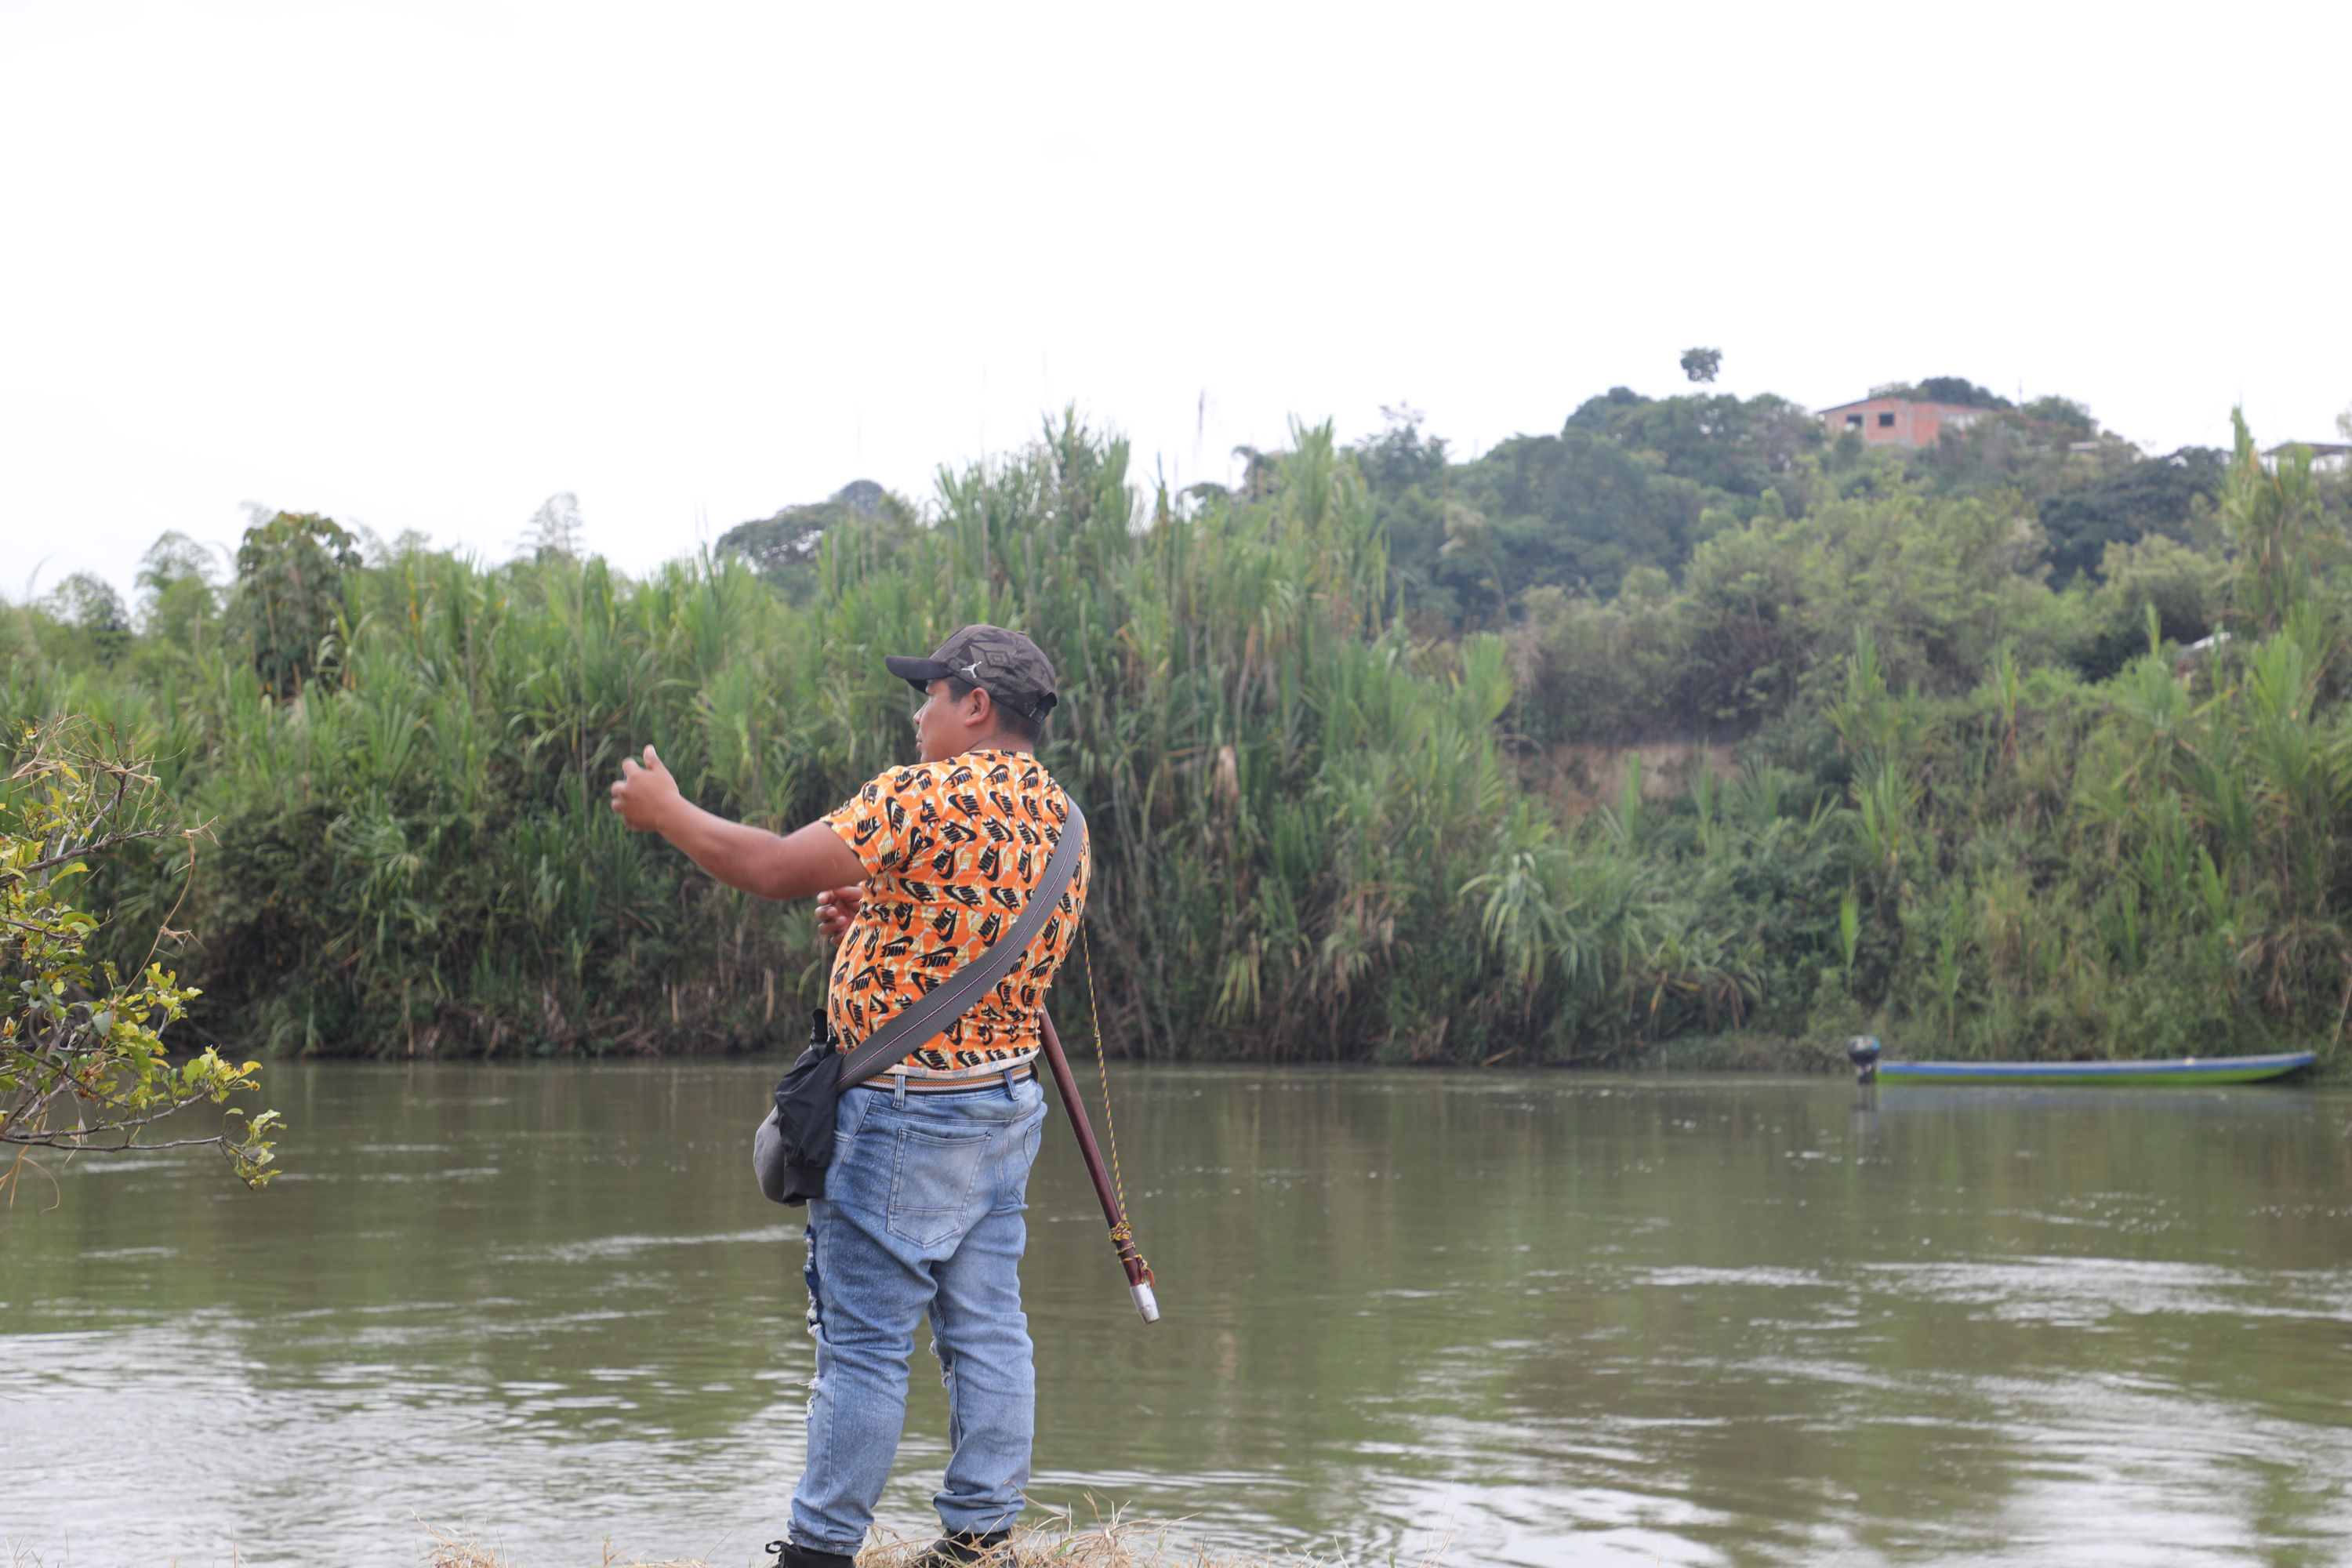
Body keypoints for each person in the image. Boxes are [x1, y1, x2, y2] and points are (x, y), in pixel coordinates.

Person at [608, 624, 1089, 1568]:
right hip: (1002, 1108)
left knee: (864, 1348)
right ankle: (981, 1536)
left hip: (903, 1113)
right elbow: (978, 950)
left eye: (931, 695)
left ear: (976, 705)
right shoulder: (1065, 823)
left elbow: (773, 868)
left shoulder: (921, 793)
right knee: (990, 1324)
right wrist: (878, 924)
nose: (919, 714)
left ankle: (820, 1550)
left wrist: (668, 811)